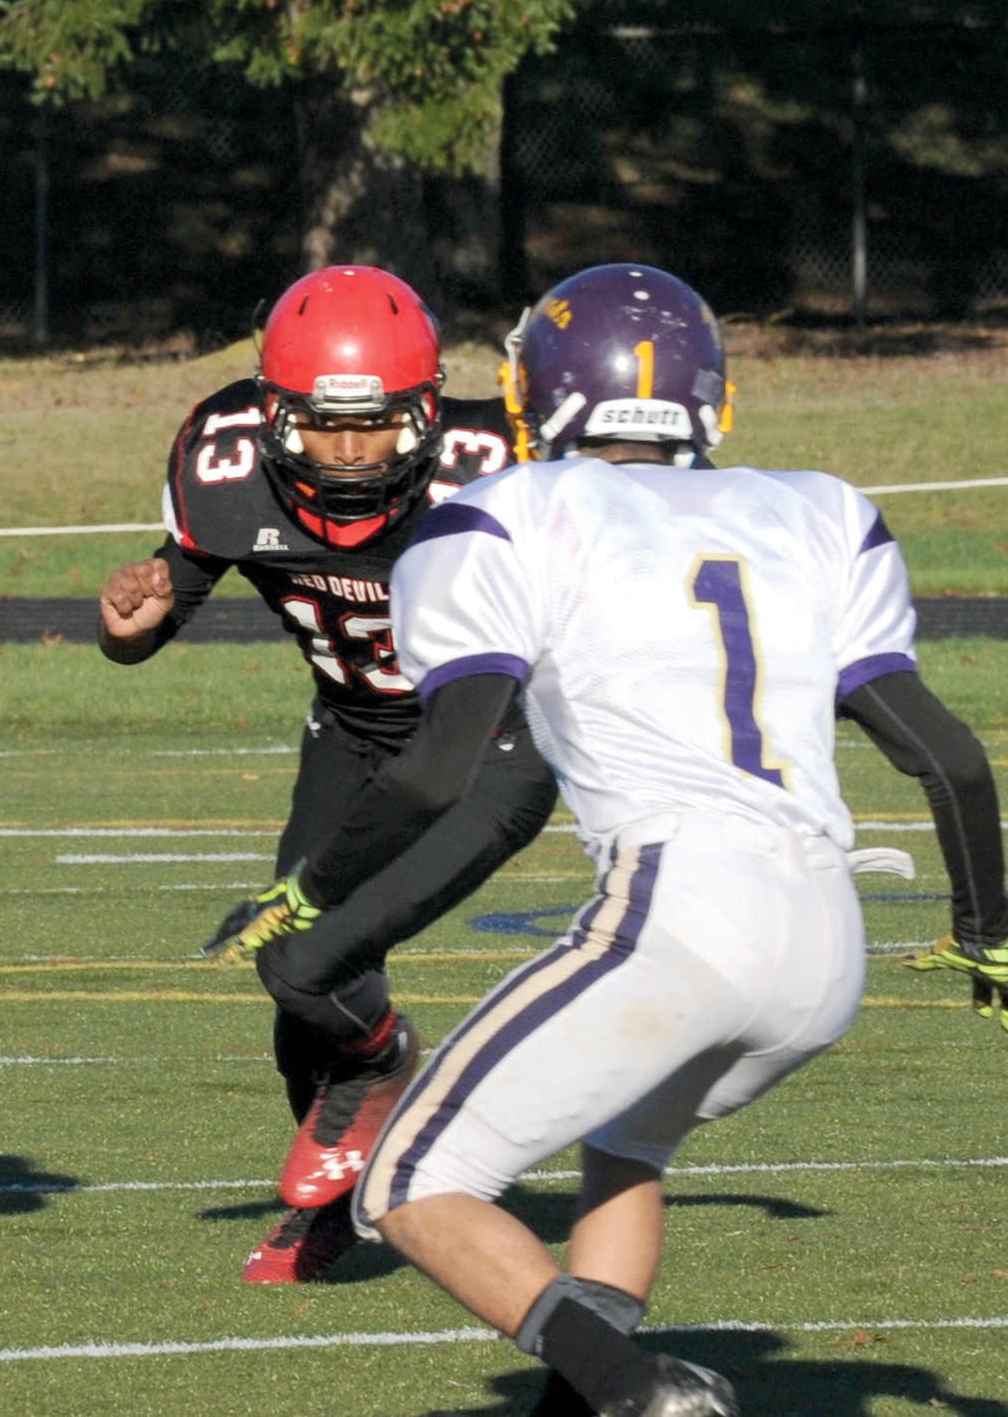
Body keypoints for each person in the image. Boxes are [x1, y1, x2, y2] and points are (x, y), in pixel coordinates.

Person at [278, 263, 1003, 1416]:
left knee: (409, 1183)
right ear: (709, 397)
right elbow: (951, 759)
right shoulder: (819, 508)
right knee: (623, 1143)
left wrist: (308, 897)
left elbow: (433, 772)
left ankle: (642, 1389)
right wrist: (989, 940)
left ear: (538, 393)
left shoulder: (510, 511)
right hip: (827, 943)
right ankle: (599, 1396)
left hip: (680, 905)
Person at [97, 266, 558, 1283]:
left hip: (488, 746)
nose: (348, 454)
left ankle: (381, 1077)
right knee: (302, 997)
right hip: (350, 732)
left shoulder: (506, 466)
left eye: (377, 426)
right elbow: (161, 606)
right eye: (320, 426)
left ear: (430, 412)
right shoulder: (221, 466)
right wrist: (132, 618)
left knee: (311, 955)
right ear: (269, 413)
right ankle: (358, 1190)